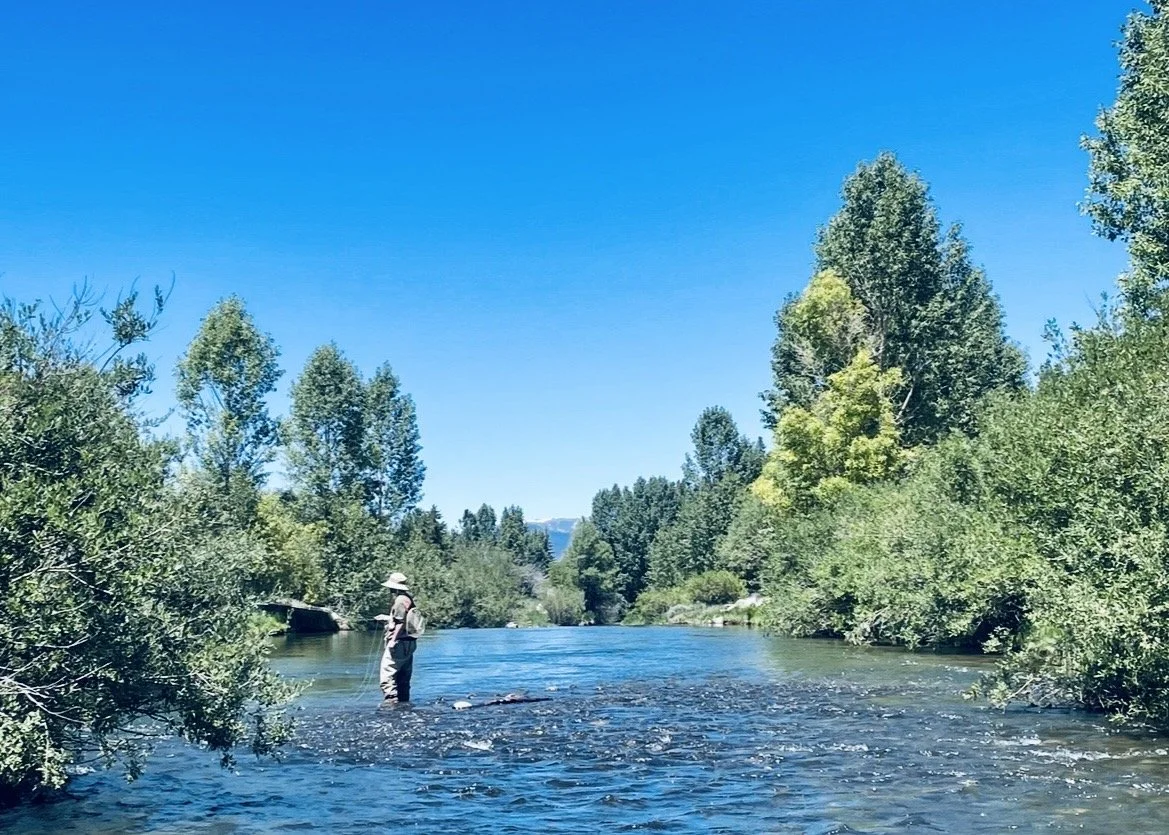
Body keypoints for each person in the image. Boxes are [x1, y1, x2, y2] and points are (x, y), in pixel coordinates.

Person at [377, 571, 417, 704]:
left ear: (393, 587)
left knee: (387, 677)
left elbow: (400, 623)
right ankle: (404, 706)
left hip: (399, 643)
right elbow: (404, 619)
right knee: (403, 677)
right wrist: (387, 618)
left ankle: (391, 708)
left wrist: (393, 640)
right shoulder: (407, 599)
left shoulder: (399, 601)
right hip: (409, 642)